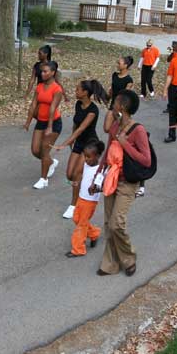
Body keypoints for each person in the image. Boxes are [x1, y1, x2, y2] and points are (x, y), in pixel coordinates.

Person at [94, 89, 151, 276]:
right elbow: (108, 153)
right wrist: (98, 176)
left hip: (128, 182)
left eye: (116, 102)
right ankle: (110, 264)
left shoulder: (138, 130)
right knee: (108, 223)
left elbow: (146, 160)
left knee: (116, 224)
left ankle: (129, 257)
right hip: (111, 179)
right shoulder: (115, 126)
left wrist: (125, 143)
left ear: (123, 106)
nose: (113, 104)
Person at [53, 79, 107, 219]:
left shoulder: (93, 110)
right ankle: (84, 183)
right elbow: (76, 125)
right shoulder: (78, 104)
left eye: (78, 89)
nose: (75, 91)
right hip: (78, 142)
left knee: (76, 173)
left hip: (90, 144)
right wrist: (72, 141)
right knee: (69, 174)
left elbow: (83, 128)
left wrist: (64, 143)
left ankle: (74, 205)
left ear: (85, 93)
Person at [24, 61, 64, 189]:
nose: (42, 73)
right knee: (36, 150)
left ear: (53, 73)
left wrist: (50, 127)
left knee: (45, 150)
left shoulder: (57, 89)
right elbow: (33, 104)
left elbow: (53, 108)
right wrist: (28, 122)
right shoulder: (40, 86)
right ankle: (51, 162)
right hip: (41, 121)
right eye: (42, 71)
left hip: (53, 123)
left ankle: (43, 179)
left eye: (45, 71)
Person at [65, 140, 105, 258]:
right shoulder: (87, 165)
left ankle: (78, 249)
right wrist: (78, 182)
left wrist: (96, 189)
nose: (86, 159)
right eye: (85, 156)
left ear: (97, 156)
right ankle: (94, 233)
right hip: (81, 198)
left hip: (90, 201)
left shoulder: (100, 170)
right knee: (76, 218)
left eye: (88, 157)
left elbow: (103, 186)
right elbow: (83, 176)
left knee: (81, 224)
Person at [103, 55, 135, 133]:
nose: (117, 65)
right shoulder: (114, 75)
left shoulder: (129, 80)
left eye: (119, 63)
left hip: (122, 109)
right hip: (113, 105)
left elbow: (125, 96)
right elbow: (112, 89)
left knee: (119, 131)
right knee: (106, 128)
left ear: (125, 65)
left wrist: (121, 111)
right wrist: (107, 98)